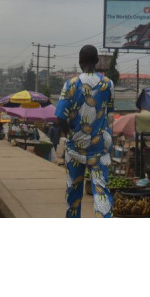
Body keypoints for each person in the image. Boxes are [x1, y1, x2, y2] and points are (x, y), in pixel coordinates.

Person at [55, 45, 115, 218]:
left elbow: (59, 119)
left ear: (80, 62)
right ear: (97, 61)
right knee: (101, 191)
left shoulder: (71, 85)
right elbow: (109, 115)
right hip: (99, 149)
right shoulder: (108, 84)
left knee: (73, 193)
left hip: (75, 149)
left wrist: (70, 135)